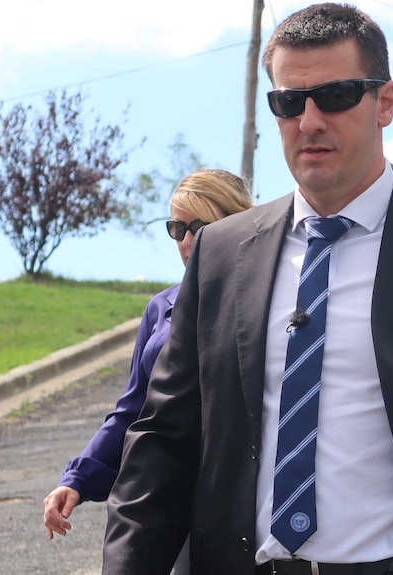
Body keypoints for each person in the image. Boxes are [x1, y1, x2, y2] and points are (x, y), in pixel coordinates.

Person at [102, 4, 393, 575]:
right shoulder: (220, 255)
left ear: (385, 102)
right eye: (288, 102)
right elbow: (163, 445)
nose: (309, 122)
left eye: (334, 96)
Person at [42, 168, 254, 574]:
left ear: (236, 223)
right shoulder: (161, 308)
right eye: (178, 228)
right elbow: (134, 409)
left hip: (241, 499)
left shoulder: (268, 299)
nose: (188, 241)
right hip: (166, 492)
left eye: (202, 226)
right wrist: (77, 478)